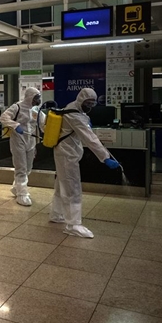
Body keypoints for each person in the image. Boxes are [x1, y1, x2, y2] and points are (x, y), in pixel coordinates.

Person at [50, 88, 120, 238]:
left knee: (61, 184)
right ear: (81, 99)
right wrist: (105, 157)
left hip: (65, 153)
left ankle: (57, 214)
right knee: (72, 188)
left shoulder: (73, 108)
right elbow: (90, 138)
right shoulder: (75, 115)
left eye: (93, 103)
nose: (90, 106)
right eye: (88, 103)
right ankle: (73, 225)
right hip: (67, 155)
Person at [0, 87, 45, 206]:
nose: (38, 100)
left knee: (28, 167)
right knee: (21, 167)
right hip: (18, 140)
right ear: (30, 97)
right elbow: (3, 117)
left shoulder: (37, 110)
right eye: (36, 97)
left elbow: (44, 123)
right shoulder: (17, 107)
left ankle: (17, 187)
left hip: (31, 141)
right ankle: (22, 194)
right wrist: (15, 125)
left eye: (38, 97)